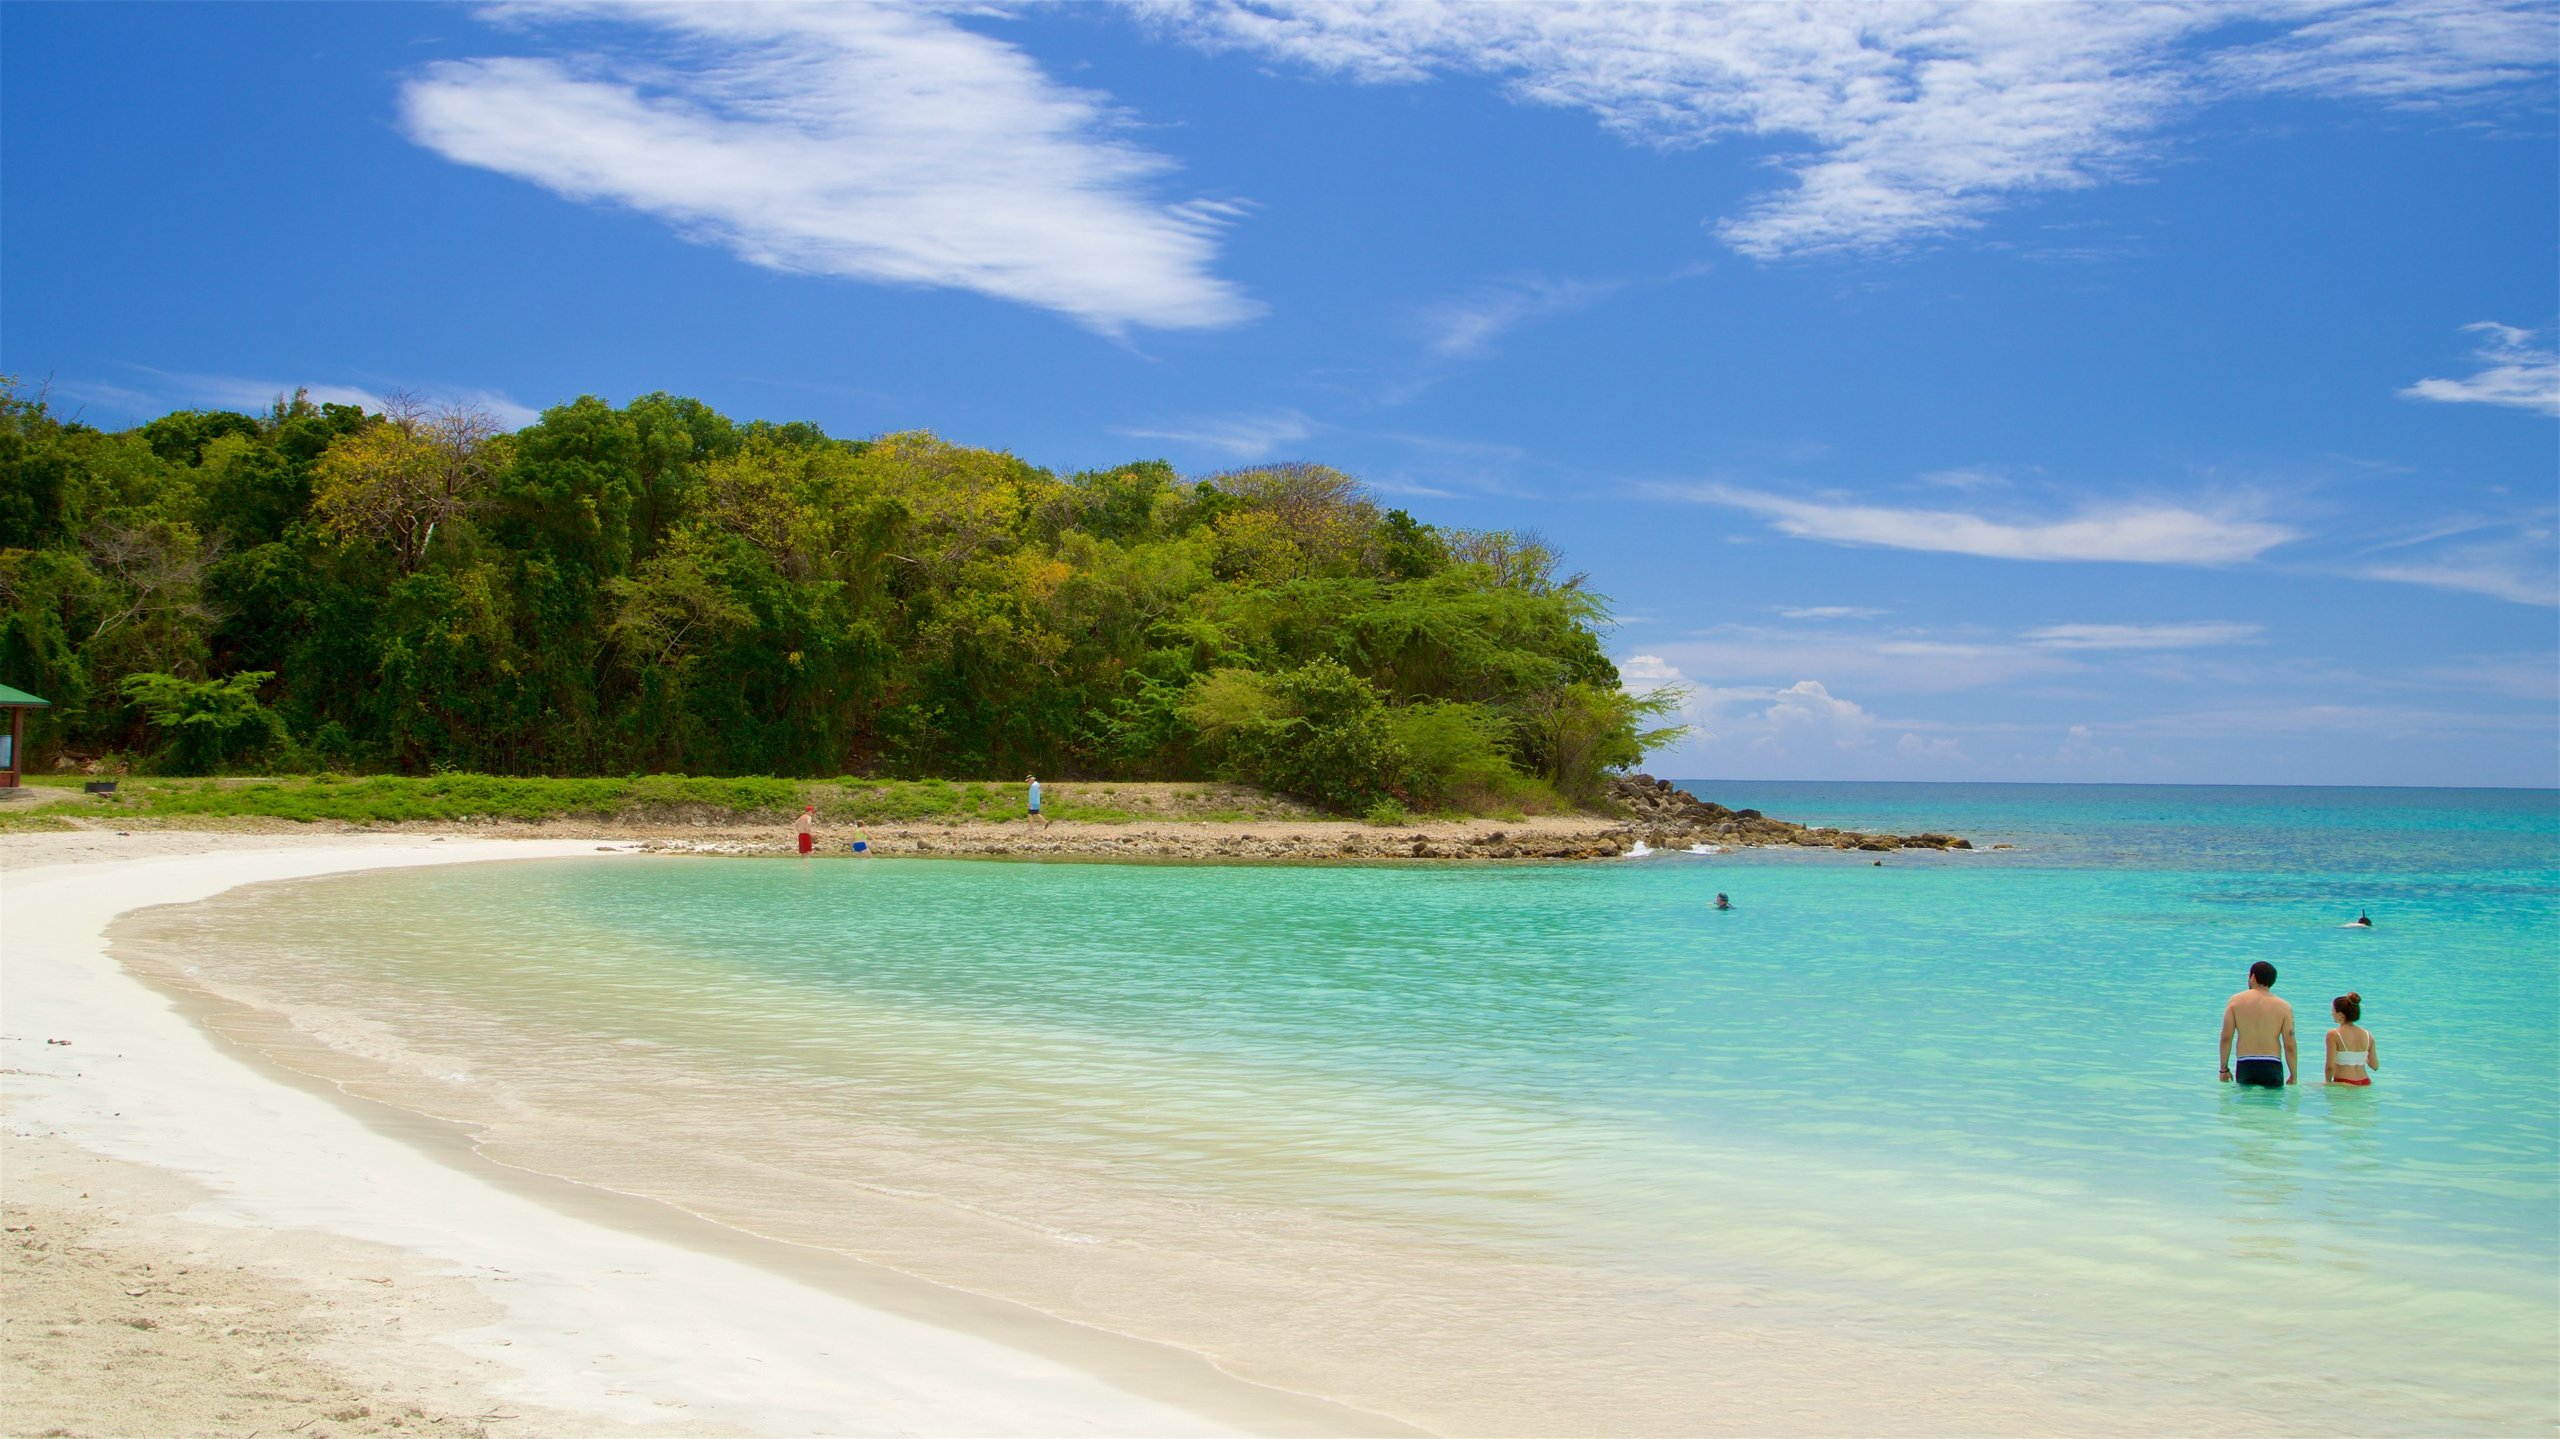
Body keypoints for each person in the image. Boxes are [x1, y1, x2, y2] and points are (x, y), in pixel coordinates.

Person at [2219, 960, 2296, 1088]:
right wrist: (2294, 1075)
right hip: (2272, 1064)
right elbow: (2290, 1045)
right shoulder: (2284, 1007)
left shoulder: (2235, 1001)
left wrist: (2223, 1069)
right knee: (2272, 1107)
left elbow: (2226, 1037)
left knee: (2245, 1106)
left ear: (2253, 977)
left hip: (2246, 1063)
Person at [2325, 992, 2378, 1085]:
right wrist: (2359, 1057)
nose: (2331, 1013)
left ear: (2341, 1015)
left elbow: (2330, 1067)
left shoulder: (2334, 1034)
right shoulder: (2368, 1035)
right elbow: (2375, 1066)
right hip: (2365, 1082)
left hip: (2344, 1083)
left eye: (2333, 1010)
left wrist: (2328, 1083)